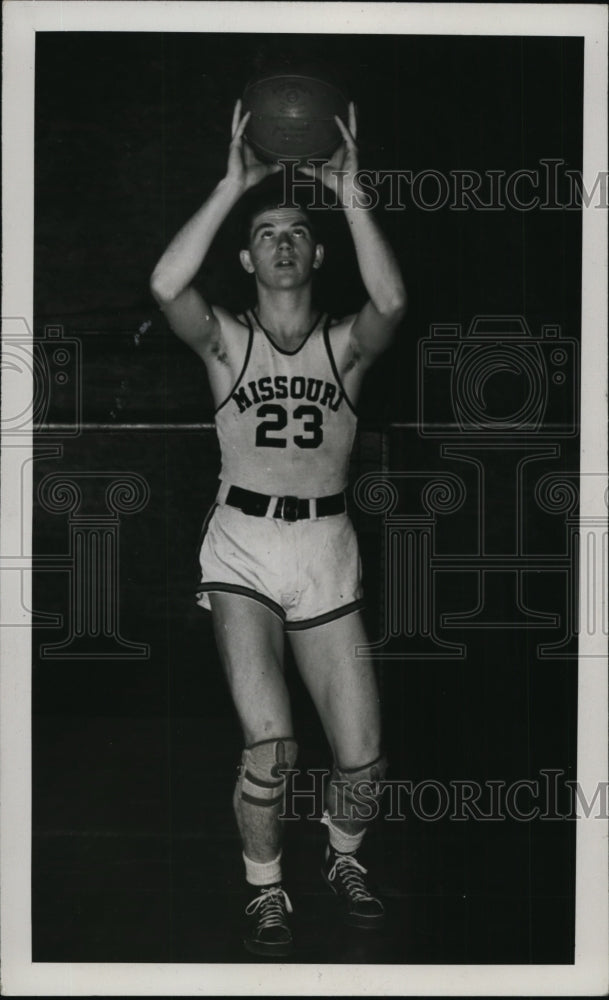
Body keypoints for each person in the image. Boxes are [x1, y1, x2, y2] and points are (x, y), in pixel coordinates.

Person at [150, 99, 406, 957]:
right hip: (244, 549)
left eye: (297, 230)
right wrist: (233, 186)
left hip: (326, 550)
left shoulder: (345, 348)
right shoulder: (226, 342)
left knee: (364, 763)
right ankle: (266, 891)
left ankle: (341, 860)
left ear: (318, 249)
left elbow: (393, 300)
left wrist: (353, 192)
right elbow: (164, 287)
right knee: (272, 748)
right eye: (266, 233)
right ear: (248, 256)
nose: (283, 242)